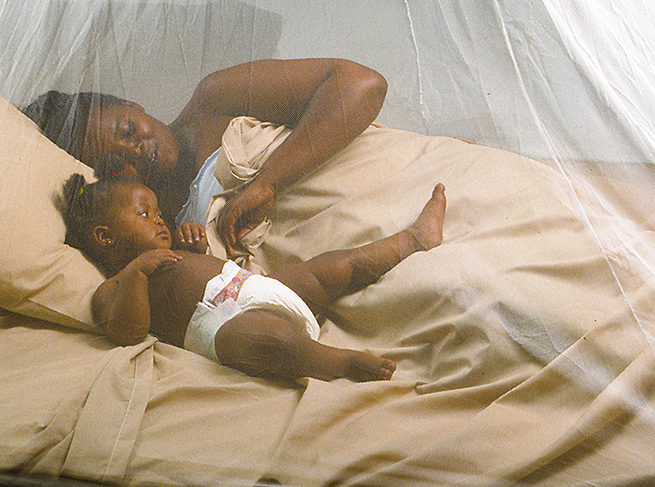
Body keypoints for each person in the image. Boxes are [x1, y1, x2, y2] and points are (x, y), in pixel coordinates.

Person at [61, 172, 447, 383]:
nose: (160, 219)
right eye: (145, 214)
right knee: (274, 340)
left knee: (329, 269)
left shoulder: (171, 250)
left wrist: (195, 245)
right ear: (105, 237)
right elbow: (128, 332)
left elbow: (203, 269)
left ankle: (412, 239)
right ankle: (339, 363)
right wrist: (136, 276)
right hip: (217, 326)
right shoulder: (112, 286)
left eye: (159, 211)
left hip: (244, 284)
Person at [24, 58, 388, 255]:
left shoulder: (215, 101)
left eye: (128, 130)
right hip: (350, 253)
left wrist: (268, 184)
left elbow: (362, 84)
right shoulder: (155, 228)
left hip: (383, 185)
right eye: (119, 161)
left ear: (134, 106)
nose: (138, 150)